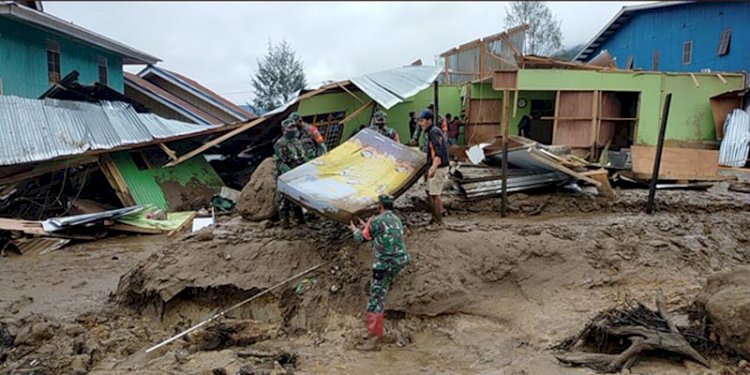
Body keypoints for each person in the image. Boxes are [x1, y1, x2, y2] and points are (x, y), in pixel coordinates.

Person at [348, 194, 411, 351]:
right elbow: (380, 233)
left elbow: (360, 239)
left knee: (376, 299)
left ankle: (374, 338)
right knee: (383, 285)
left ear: (380, 207)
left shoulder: (375, 220)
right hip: (401, 260)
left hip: (385, 264)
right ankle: (387, 285)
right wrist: (368, 226)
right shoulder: (396, 219)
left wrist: (355, 230)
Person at [274, 118, 308, 228]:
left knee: (297, 198)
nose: (293, 129)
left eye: (294, 127)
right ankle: (285, 223)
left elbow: (302, 157)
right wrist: (289, 174)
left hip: (297, 173)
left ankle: (300, 220)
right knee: (283, 200)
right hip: (285, 174)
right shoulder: (280, 144)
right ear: (284, 130)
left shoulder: (297, 141)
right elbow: (280, 162)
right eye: (290, 127)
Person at [418, 109, 449, 225]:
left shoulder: (433, 132)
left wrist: (433, 167)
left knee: (435, 194)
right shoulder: (432, 132)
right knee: (430, 192)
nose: (420, 124)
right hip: (435, 165)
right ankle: (435, 217)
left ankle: (438, 221)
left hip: (439, 167)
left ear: (429, 121)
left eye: (422, 121)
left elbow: (438, 151)